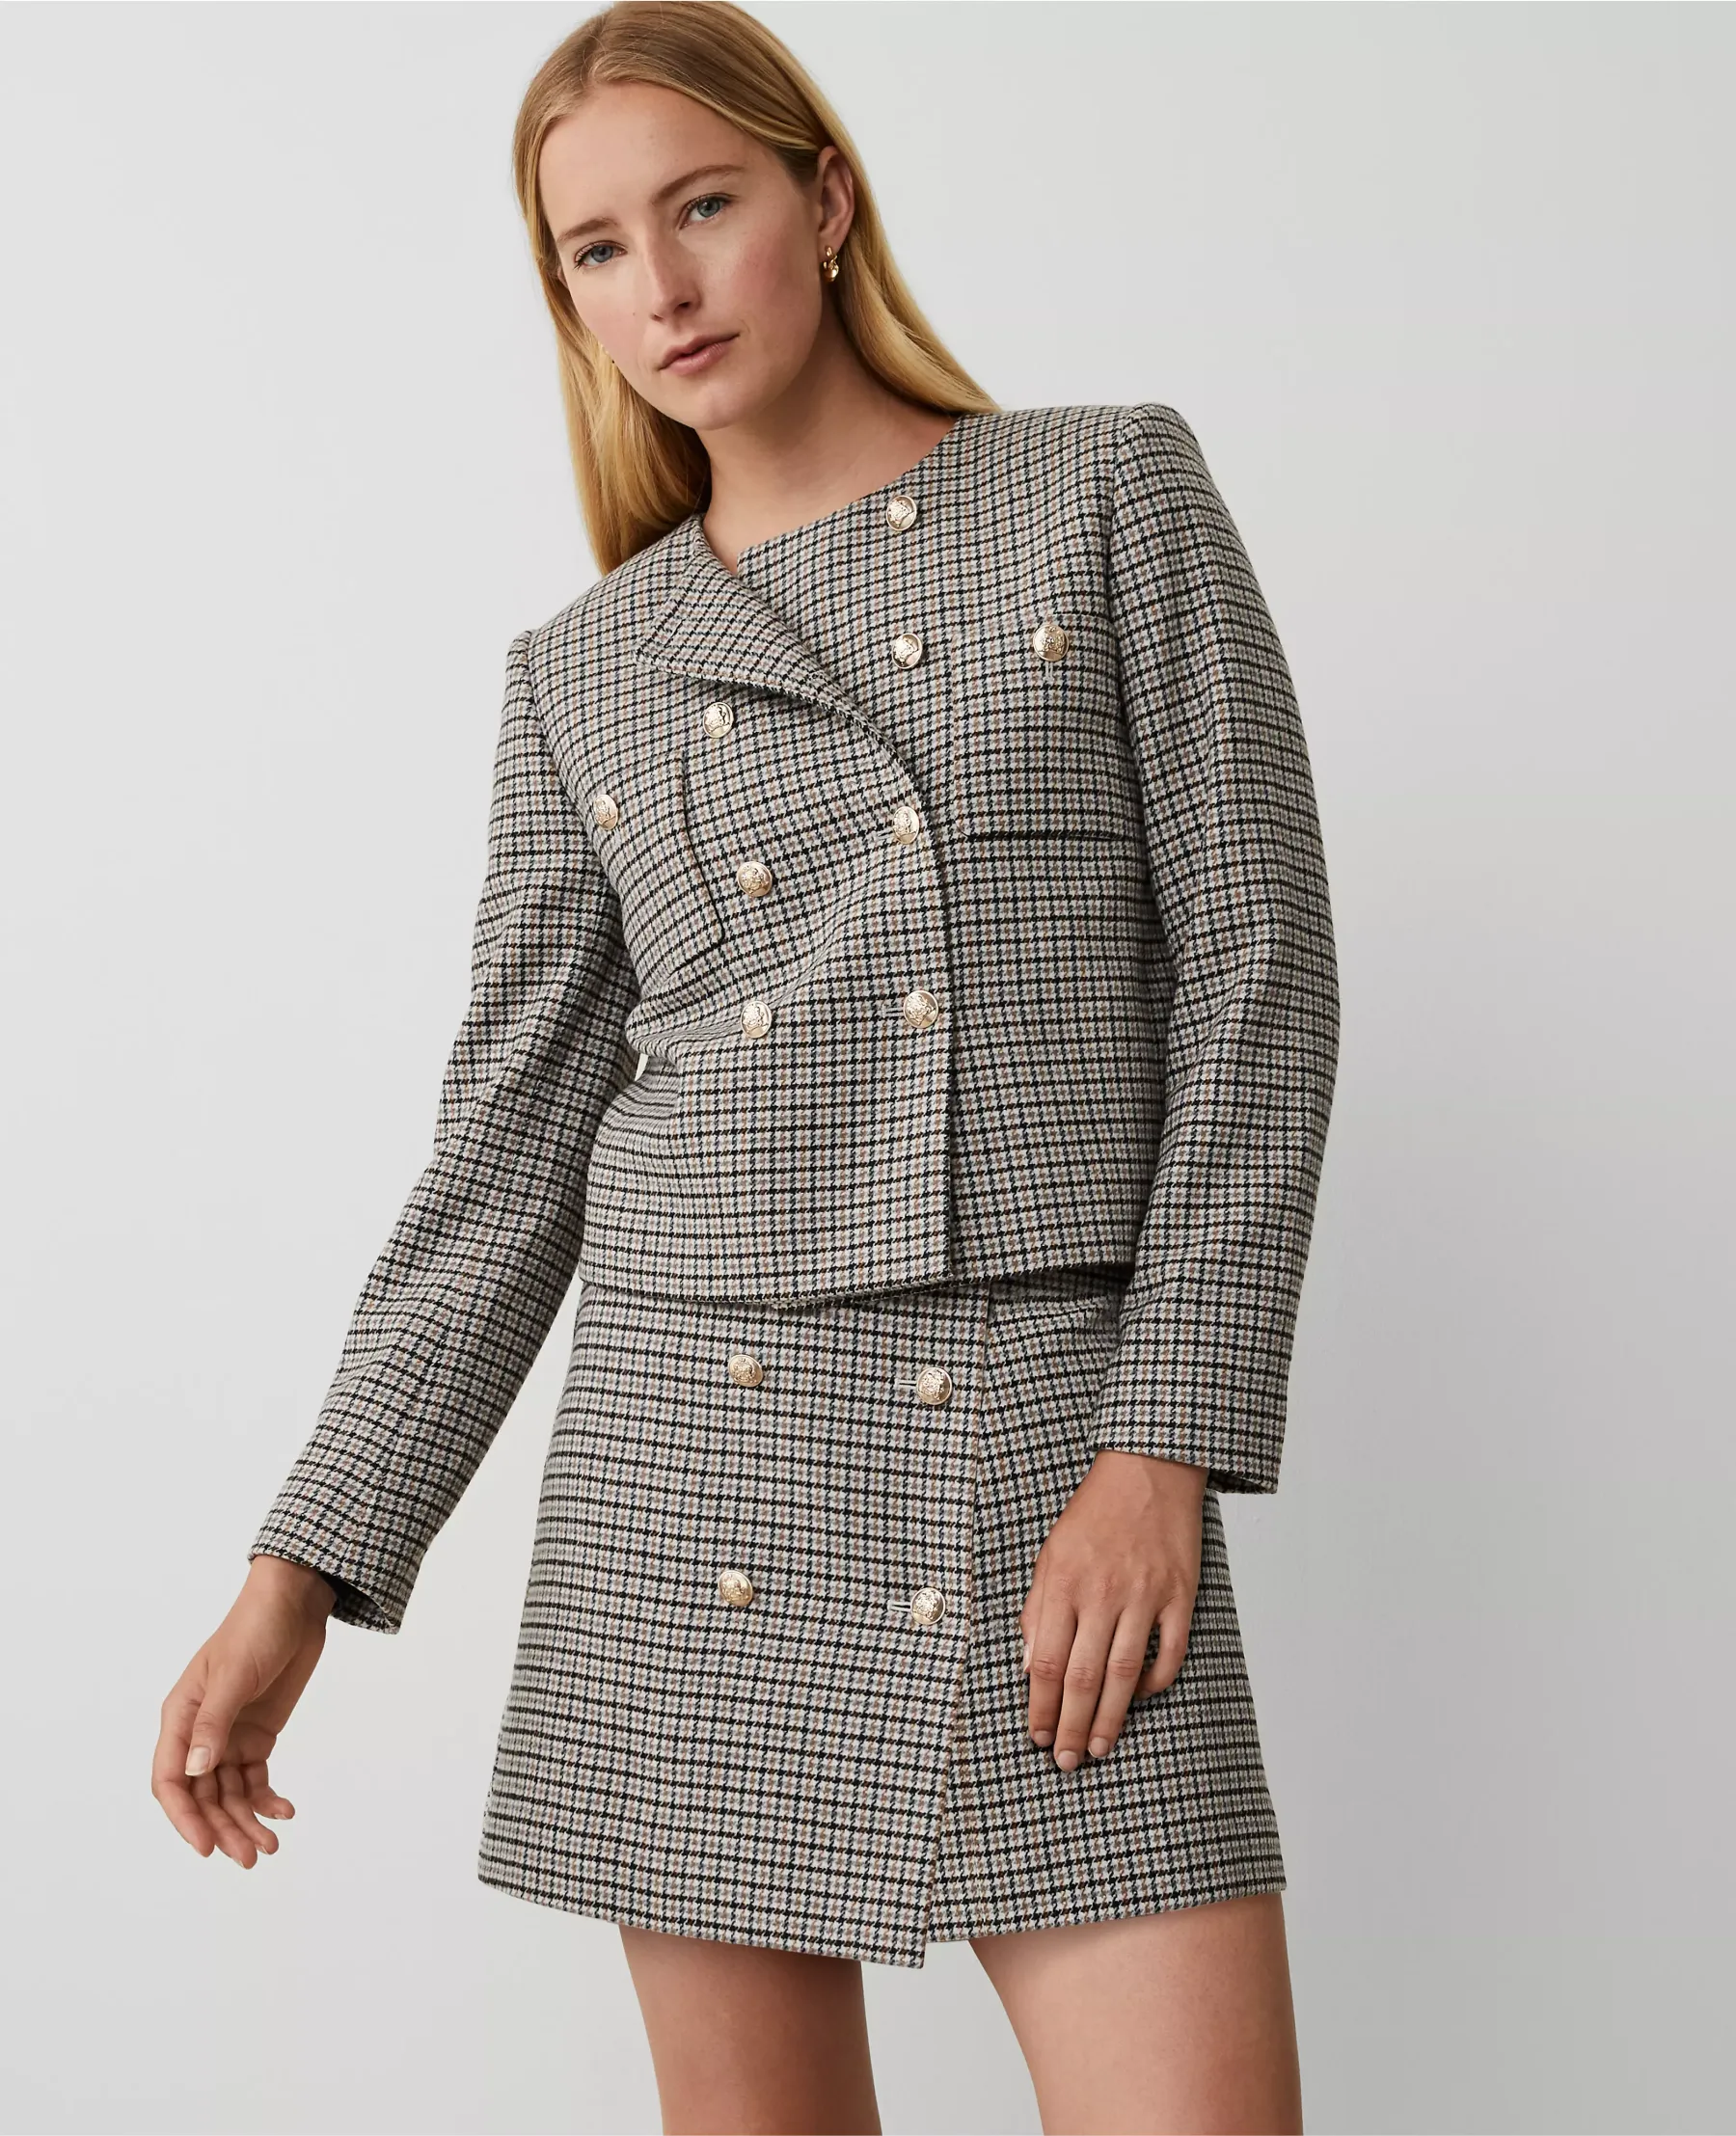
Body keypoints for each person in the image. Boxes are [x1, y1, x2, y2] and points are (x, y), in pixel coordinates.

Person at [152, 6, 1341, 2129]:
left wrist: (1162, 1443)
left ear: (827, 196)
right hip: (692, 1484)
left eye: (702, 206)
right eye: (597, 249)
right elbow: (506, 1163)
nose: (664, 287)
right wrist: (299, 1571)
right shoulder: (582, 672)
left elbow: (1259, 979)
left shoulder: (1101, 488)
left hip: (1045, 1443)